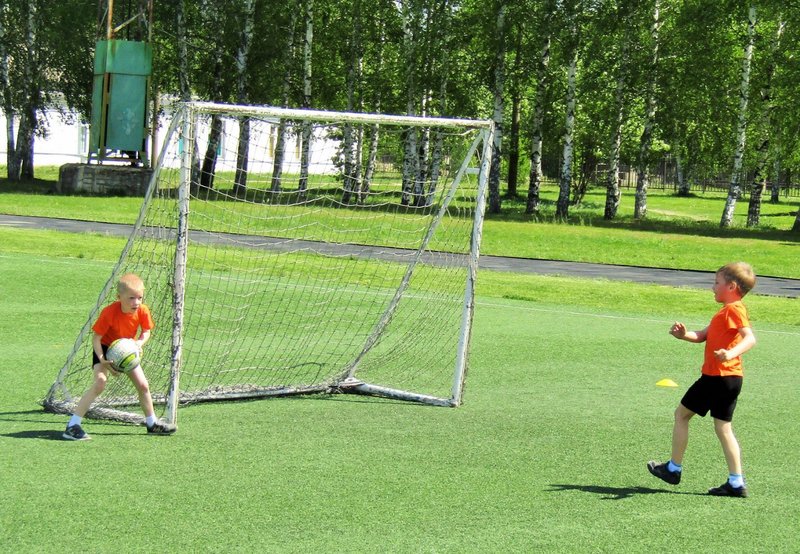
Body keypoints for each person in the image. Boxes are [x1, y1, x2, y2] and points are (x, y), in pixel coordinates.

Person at [648, 261, 757, 497]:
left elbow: (750, 338)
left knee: (681, 415)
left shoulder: (734, 310)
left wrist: (730, 353)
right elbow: (701, 336)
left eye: (717, 283)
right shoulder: (725, 311)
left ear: (732, 287)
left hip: (717, 377)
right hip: (730, 379)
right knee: (723, 428)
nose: (712, 287)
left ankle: (673, 469)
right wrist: (683, 335)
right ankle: (736, 482)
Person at [62, 273, 176, 440]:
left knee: (143, 385)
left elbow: (146, 331)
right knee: (100, 383)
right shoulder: (109, 312)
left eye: (139, 298)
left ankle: (152, 424)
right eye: (131, 298)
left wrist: (138, 343)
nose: (136, 302)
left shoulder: (143, 310)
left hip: (126, 350)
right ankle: (72, 426)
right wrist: (102, 359)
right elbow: (96, 338)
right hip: (105, 348)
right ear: (119, 297)